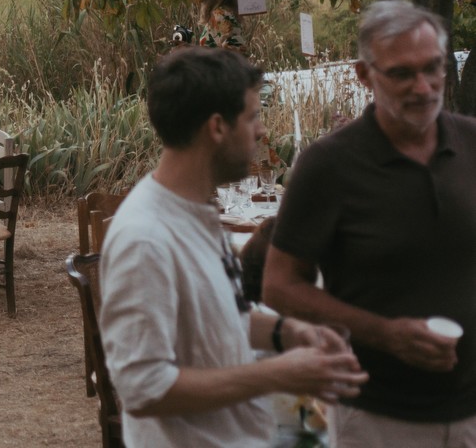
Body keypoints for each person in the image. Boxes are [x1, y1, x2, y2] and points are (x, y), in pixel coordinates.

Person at [101, 46, 366, 447]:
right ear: (217, 127)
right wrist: (279, 374)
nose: (261, 131)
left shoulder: (199, 211)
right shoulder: (145, 239)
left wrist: (288, 333)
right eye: (253, 116)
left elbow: (222, 317)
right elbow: (143, 388)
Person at [265, 0, 476, 446]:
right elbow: (280, 285)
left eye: (433, 68)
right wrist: (386, 334)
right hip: (380, 414)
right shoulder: (328, 166)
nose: (423, 87)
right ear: (364, 75)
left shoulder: (472, 143)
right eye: (402, 73)